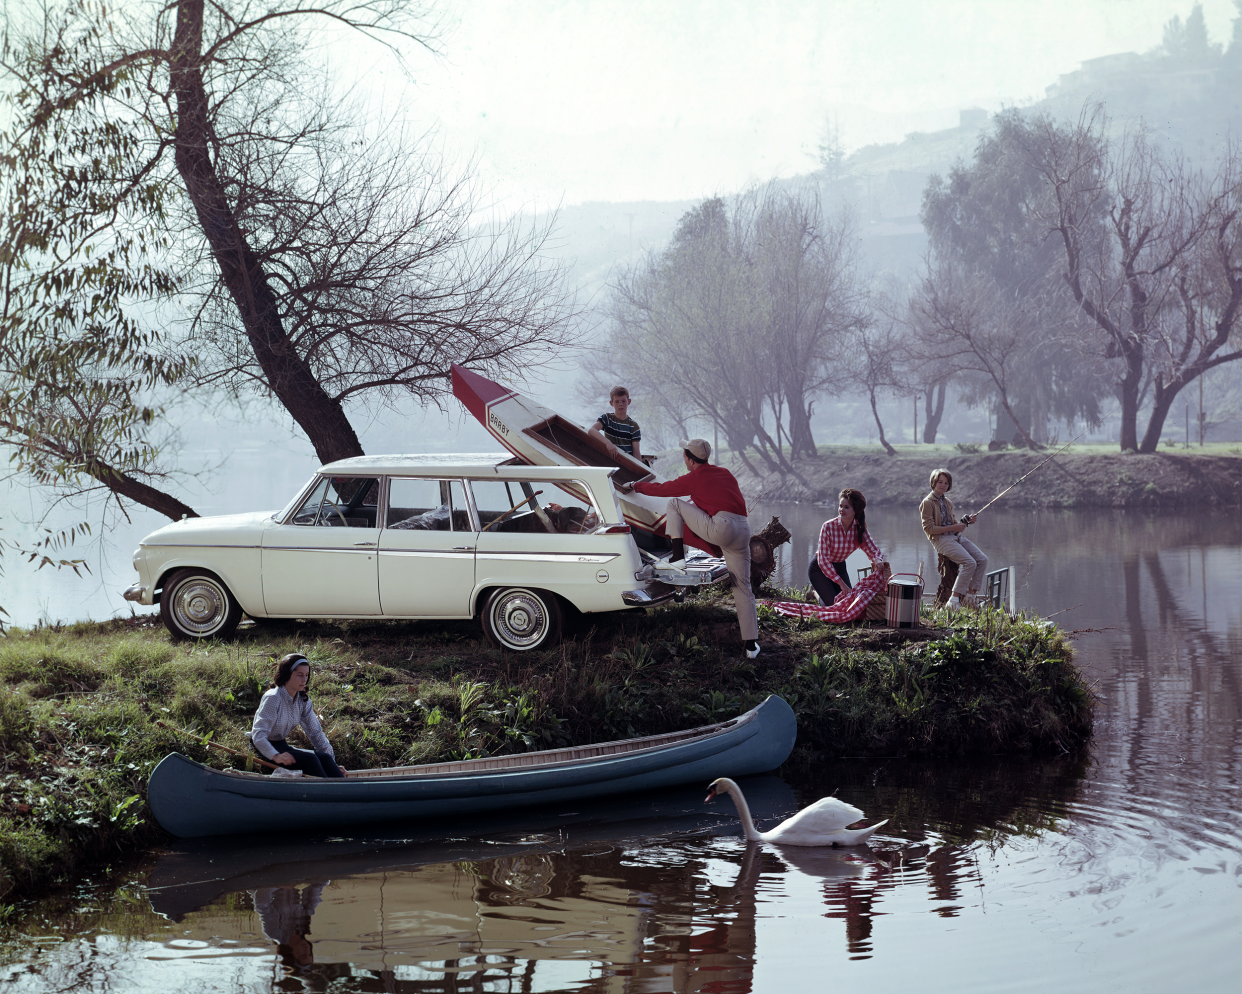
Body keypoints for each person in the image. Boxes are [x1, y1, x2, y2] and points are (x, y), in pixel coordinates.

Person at [620, 438, 759, 659]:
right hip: (743, 530)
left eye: (684, 456)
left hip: (722, 527)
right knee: (743, 588)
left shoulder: (695, 477)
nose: (683, 459)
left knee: (674, 504)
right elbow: (721, 500)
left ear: (690, 459)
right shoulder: (725, 473)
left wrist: (634, 486)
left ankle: (677, 558)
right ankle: (751, 646)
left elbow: (663, 490)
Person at [249, 653, 347, 778]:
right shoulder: (273, 698)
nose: (304, 680)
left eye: (306, 675)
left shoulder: (302, 700)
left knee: (325, 758)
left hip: (282, 745)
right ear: (287, 675)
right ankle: (328, 794)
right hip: (263, 748)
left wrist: (332, 764)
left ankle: (343, 791)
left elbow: (315, 733)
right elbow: (258, 735)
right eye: (299, 675)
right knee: (310, 760)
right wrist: (275, 755)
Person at [919, 468, 988, 610]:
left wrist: (966, 521)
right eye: (940, 482)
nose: (943, 485)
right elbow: (929, 529)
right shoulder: (927, 503)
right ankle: (953, 600)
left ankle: (971, 597)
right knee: (969, 563)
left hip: (955, 537)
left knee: (982, 559)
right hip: (940, 540)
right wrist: (953, 528)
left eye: (946, 483)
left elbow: (953, 523)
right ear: (933, 483)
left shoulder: (947, 502)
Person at [809, 489, 886, 606]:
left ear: (855, 510)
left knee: (849, 603)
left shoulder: (860, 530)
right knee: (832, 604)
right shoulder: (828, 526)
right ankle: (815, 593)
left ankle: (821, 591)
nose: (841, 510)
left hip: (840, 567)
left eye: (846, 507)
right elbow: (823, 560)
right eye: (840, 506)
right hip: (819, 568)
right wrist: (841, 584)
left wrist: (877, 560)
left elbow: (873, 550)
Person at [588, 385, 643, 462]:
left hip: (628, 464)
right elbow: (592, 430)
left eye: (623, 401)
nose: (620, 404)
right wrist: (608, 443)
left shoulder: (634, 426)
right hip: (610, 462)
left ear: (629, 401)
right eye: (616, 401)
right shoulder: (607, 418)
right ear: (611, 403)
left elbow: (636, 453)